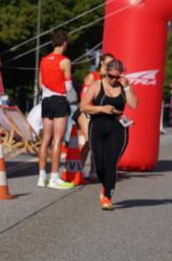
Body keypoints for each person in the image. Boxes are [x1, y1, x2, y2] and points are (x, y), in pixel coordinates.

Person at [79, 58, 137, 211]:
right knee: (99, 164)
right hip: (97, 126)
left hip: (118, 128)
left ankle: (107, 197)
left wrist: (127, 88)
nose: (113, 80)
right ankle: (105, 185)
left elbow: (134, 104)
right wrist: (101, 109)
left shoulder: (123, 86)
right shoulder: (97, 85)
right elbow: (83, 106)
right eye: (111, 76)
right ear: (105, 72)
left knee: (111, 163)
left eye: (117, 77)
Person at [37, 30, 76, 189]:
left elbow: (40, 84)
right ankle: (54, 177)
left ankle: (41, 177)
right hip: (59, 100)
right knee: (58, 140)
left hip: (45, 100)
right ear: (65, 43)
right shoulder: (65, 61)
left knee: (45, 139)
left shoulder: (44, 60)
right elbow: (68, 85)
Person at [77, 53, 115, 179]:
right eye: (108, 62)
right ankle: (79, 168)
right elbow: (84, 99)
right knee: (92, 141)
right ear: (102, 63)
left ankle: (94, 171)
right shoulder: (92, 77)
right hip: (86, 113)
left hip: (99, 114)